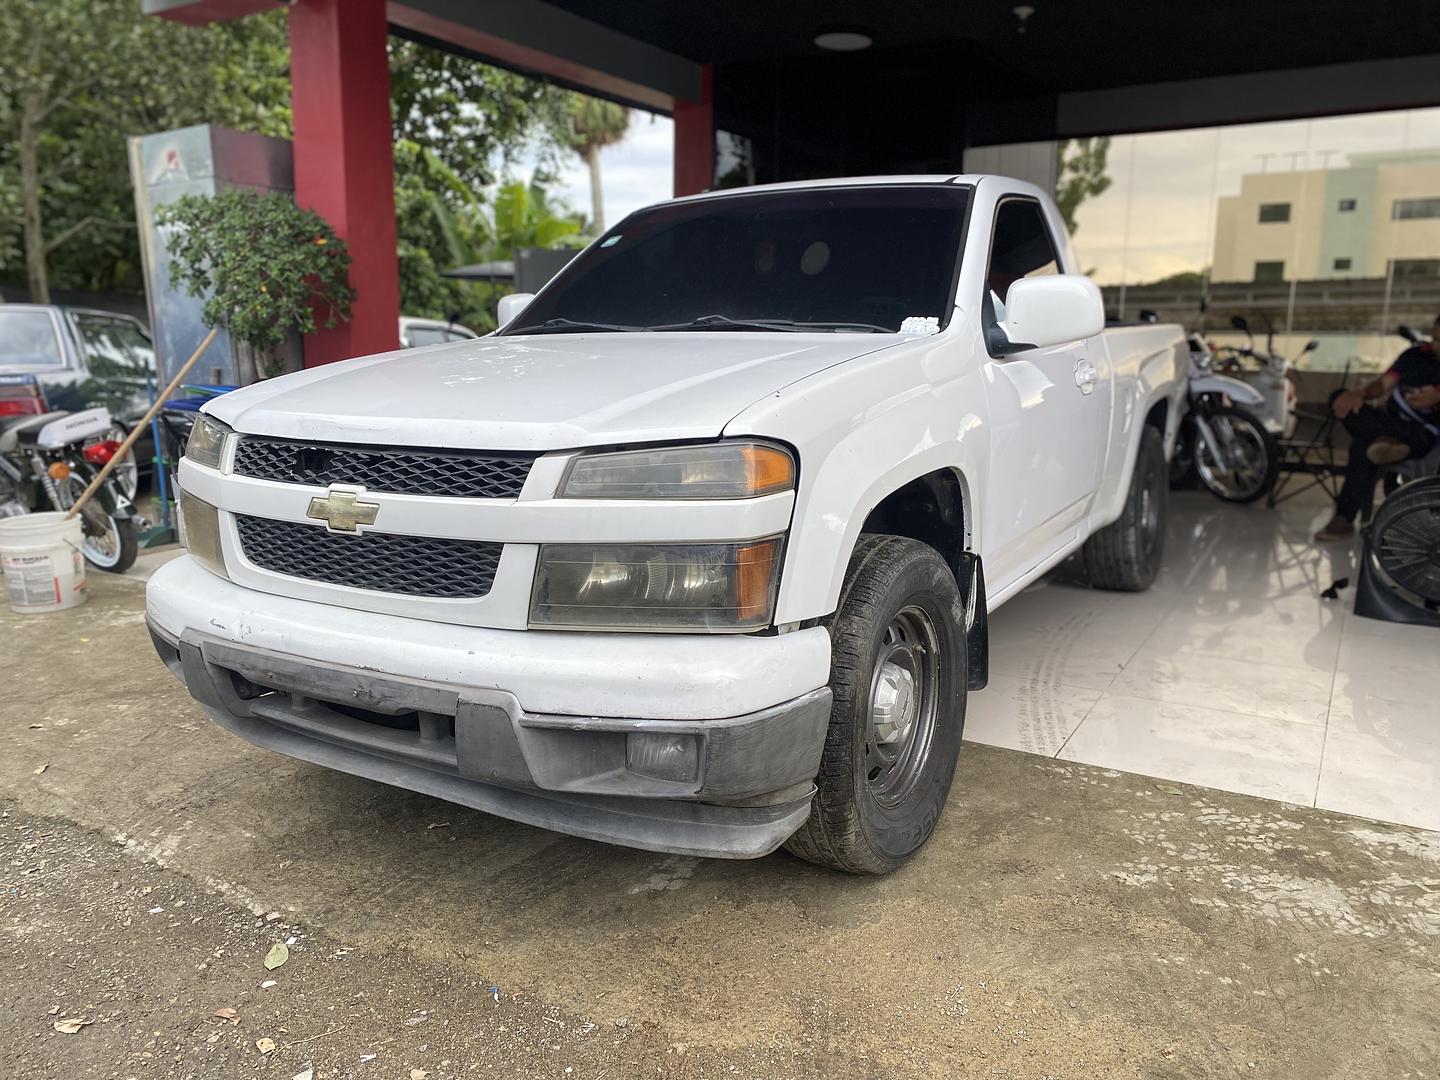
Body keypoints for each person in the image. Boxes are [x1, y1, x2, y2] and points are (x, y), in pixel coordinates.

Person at [1314, 313, 1440, 541]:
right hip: (1391, 422)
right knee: (1340, 398)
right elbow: (1383, 384)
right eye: (1436, 339)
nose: (1436, 345)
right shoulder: (1415, 356)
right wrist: (1360, 393)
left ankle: (1343, 519)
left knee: (1362, 447)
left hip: (1423, 434)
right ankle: (1387, 442)